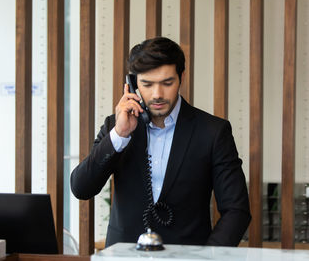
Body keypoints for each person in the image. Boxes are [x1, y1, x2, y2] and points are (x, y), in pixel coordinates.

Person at [70, 37, 251, 247]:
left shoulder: (213, 132)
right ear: (133, 83)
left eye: (167, 83)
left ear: (181, 77)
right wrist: (120, 135)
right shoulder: (116, 125)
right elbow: (81, 188)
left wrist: (208, 257)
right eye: (147, 84)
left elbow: (236, 210)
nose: (157, 94)